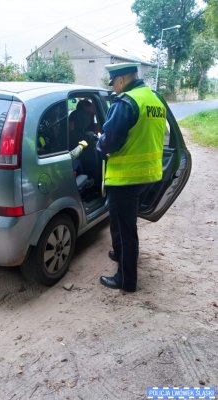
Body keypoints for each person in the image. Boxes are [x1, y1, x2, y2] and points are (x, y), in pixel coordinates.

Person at [96, 62, 166, 292]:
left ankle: (126, 280)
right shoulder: (154, 99)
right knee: (120, 223)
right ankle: (120, 254)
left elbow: (110, 142)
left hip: (126, 178)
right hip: (149, 174)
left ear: (122, 80)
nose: (114, 88)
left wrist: (98, 143)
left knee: (125, 230)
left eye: (114, 83)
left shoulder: (126, 102)